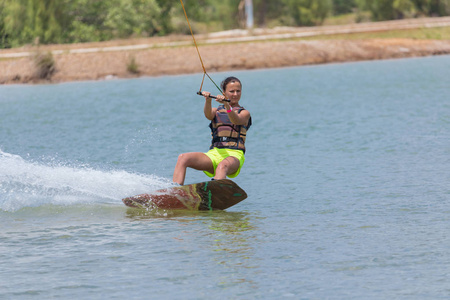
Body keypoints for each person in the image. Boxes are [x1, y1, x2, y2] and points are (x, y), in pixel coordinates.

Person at [173, 76, 252, 185]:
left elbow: (236, 120)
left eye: (238, 91)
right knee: (183, 158)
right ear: (224, 92)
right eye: (231, 91)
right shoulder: (216, 111)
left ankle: (216, 192)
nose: (235, 94)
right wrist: (208, 100)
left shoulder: (244, 113)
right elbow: (208, 115)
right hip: (214, 154)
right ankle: (175, 192)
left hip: (234, 155)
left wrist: (227, 105)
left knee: (222, 166)